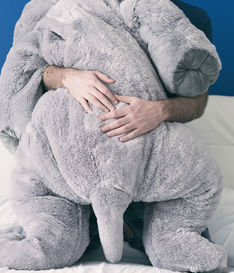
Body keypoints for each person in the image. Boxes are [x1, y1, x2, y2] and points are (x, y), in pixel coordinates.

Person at [41, 0, 214, 254]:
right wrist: (68, 77)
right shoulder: (73, 6)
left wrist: (158, 111)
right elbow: (37, 73)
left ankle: (132, 226)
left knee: (190, 254)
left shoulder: (191, 18)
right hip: (80, 163)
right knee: (48, 248)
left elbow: (197, 103)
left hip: (151, 162)